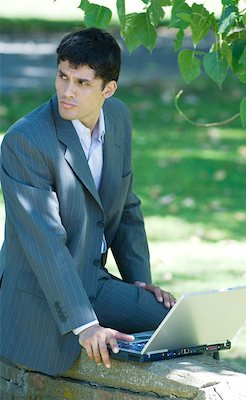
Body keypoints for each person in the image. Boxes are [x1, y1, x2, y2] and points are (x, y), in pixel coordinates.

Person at [0, 27, 175, 376]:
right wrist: (86, 326)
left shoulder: (119, 118)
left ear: (108, 90)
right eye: (63, 76)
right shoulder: (25, 141)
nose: (67, 91)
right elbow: (45, 243)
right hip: (39, 293)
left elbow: (126, 206)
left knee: (181, 329)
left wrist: (140, 281)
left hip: (95, 280)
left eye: (82, 83)